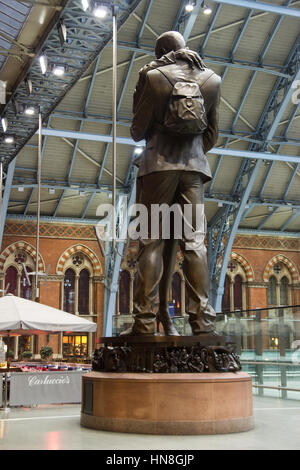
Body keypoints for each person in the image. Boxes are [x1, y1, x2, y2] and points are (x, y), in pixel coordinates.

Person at [122, 31, 221, 336]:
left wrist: (141, 88)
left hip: (157, 168)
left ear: (162, 51)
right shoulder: (212, 80)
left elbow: (137, 131)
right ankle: (203, 323)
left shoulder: (153, 77)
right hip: (193, 170)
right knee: (194, 244)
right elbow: (212, 135)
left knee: (152, 241)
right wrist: (188, 154)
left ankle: (145, 323)